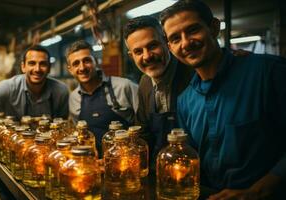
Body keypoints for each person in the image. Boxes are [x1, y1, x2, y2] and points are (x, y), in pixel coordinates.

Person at [160, 0, 286, 199]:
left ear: (213, 27)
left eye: (193, 30)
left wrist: (259, 190)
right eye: (175, 38)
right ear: (170, 47)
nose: (185, 43)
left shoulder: (267, 73)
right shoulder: (185, 101)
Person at [0, 45, 69, 164]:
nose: (37, 69)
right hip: (15, 154)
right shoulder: (8, 87)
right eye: (32, 63)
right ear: (23, 67)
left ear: (49, 68)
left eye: (43, 64)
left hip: (46, 155)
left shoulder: (60, 91)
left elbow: (62, 128)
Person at [123, 15, 193, 167]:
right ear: (131, 56)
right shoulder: (144, 82)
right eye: (138, 51)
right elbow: (142, 132)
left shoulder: (193, 73)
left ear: (167, 43)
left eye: (153, 46)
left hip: (195, 172)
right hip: (162, 171)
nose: (147, 56)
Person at [65, 40, 138, 157]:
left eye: (87, 60)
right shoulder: (74, 97)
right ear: (70, 69)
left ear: (96, 62)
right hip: (92, 164)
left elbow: (144, 126)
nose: (82, 67)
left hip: (125, 161)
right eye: (76, 63)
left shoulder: (124, 86)